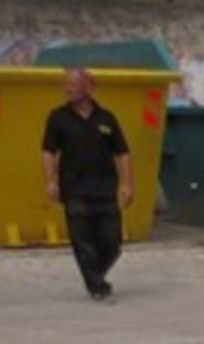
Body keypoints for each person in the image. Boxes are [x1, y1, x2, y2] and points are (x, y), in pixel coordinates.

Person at [41, 68, 133, 301]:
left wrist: (127, 184)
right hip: (74, 191)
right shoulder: (58, 118)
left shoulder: (107, 118)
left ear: (88, 88)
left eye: (73, 84)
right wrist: (51, 181)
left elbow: (122, 152)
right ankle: (97, 287)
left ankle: (95, 275)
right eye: (67, 84)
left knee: (113, 243)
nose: (67, 88)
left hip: (105, 191)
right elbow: (49, 152)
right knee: (83, 245)